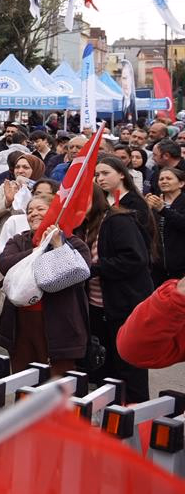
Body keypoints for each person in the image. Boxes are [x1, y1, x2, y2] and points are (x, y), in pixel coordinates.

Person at [81, 154, 157, 402]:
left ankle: (136, 422)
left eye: (105, 173)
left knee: (129, 367)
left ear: (122, 174)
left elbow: (135, 258)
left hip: (125, 302)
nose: (100, 178)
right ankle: (111, 417)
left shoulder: (125, 213)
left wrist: (95, 267)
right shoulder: (102, 214)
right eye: (97, 174)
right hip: (103, 303)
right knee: (108, 366)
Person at [0, 192, 91, 376]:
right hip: (21, 323)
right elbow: (5, 264)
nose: (34, 214)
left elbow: (81, 269)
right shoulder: (19, 240)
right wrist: (37, 250)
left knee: (55, 385)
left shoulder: (73, 242)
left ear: (54, 213)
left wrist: (58, 246)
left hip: (59, 325)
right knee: (22, 381)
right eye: (30, 211)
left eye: (40, 209)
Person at [146, 165, 185, 283]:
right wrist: (146, 208)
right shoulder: (155, 201)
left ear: (181, 183)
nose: (164, 181)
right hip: (158, 266)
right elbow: (147, 229)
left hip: (181, 266)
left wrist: (163, 210)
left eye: (169, 178)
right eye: (161, 179)